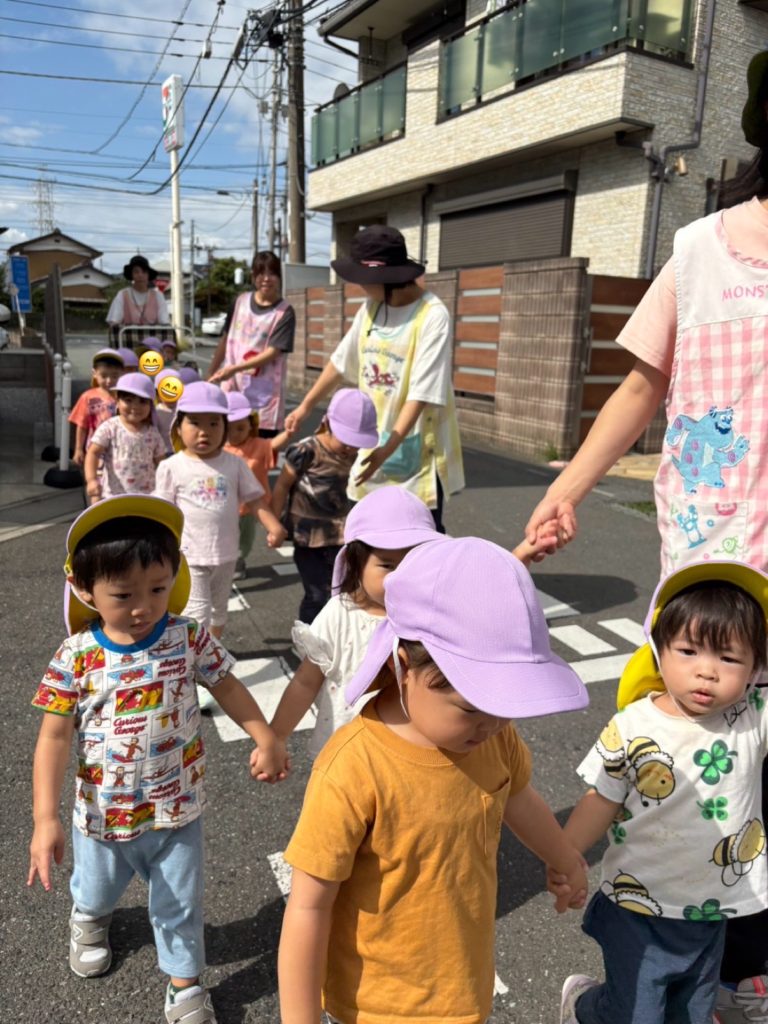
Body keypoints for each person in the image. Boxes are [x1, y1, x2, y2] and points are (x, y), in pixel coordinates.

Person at [525, 51, 768, 1020]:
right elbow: (642, 382)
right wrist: (567, 489)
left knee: (755, 786)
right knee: (681, 776)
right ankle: (635, 967)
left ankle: (736, 971)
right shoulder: (703, 249)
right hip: (712, 578)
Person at [278, 536, 589, 1024]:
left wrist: (565, 857)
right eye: (471, 707)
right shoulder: (354, 767)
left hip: (464, 988)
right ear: (404, 665)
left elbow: (518, 798)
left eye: (506, 704)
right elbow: (309, 907)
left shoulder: (494, 739)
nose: (492, 724)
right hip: (375, 1006)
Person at [27, 495, 289, 1024]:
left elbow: (227, 685)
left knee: (180, 901)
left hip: (178, 809)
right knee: (96, 889)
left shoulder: (186, 636)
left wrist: (265, 734)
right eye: (123, 594)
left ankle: (184, 982)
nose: (143, 606)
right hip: (103, 815)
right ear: (83, 588)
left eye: (158, 588)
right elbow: (53, 738)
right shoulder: (76, 655)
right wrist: (44, 818)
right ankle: (89, 916)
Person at [558, 561, 768, 1024]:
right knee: (635, 1013)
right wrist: (565, 857)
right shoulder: (634, 726)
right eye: (688, 651)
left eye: (729, 658)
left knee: (692, 1011)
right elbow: (601, 799)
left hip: (712, 907)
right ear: (658, 651)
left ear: (756, 666)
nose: (707, 672)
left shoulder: (752, 716)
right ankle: (585, 1006)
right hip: (639, 903)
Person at [271, 486, 562, 759]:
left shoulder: (435, 607)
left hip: (420, 749)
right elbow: (306, 682)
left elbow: (485, 587)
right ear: (355, 564)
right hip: (349, 751)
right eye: (387, 565)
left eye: (415, 560)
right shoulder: (339, 614)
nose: (401, 575)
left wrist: (521, 555)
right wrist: (276, 737)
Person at [284, 225, 464, 532]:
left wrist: (385, 451)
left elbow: (421, 395)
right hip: (372, 442)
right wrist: (305, 406)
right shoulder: (371, 308)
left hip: (413, 449)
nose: (360, 286)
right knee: (365, 535)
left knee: (415, 537)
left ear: (387, 278)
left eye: (364, 279)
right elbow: (340, 363)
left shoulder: (432, 316)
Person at [154, 382, 287, 647]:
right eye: (195, 423)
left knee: (219, 610)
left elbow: (255, 500)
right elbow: (162, 511)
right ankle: (194, 656)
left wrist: (274, 526)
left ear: (225, 427)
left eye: (214, 423)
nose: (205, 431)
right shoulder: (172, 467)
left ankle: (211, 651)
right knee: (197, 611)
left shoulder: (235, 464)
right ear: (178, 427)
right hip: (189, 554)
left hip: (226, 554)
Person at [271, 387, 379, 624]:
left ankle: (333, 633)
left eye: (357, 443)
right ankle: (308, 636)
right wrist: (274, 524)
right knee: (317, 593)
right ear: (328, 424)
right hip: (307, 535)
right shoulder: (306, 451)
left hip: (338, 532)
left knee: (341, 590)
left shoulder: (350, 454)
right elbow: (281, 486)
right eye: (347, 441)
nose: (351, 448)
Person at [207, 251, 295, 437]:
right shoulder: (239, 302)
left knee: (260, 446)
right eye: (261, 273)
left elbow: (273, 352)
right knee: (228, 442)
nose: (266, 279)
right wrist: (211, 372)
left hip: (263, 392)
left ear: (279, 277)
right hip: (232, 386)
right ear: (253, 276)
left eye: (272, 273)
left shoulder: (285, 312)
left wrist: (235, 368)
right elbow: (225, 339)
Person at [222, 392, 293, 580]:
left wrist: (288, 433)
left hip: (249, 508)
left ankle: (239, 559)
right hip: (223, 506)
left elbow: (273, 445)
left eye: (240, 428)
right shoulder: (217, 449)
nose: (234, 434)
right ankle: (226, 561)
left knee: (245, 539)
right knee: (224, 539)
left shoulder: (257, 445)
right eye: (228, 429)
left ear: (251, 425)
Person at [84, 372, 166, 503]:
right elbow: (93, 453)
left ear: (150, 405)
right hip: (113, 496)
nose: (135, 406)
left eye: (142, 402)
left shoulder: (152, 432)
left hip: (146, 496)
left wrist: (165, 487)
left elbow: (161, 463)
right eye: (128, 400)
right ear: (117, 401)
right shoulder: (110, 427)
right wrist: (91, 480)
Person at [69, 349, 124, 466]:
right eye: (104, 376)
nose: (109, 381)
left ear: (122, 374)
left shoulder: (126, 397)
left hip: (121, 449)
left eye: (114, 376)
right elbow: (82, 425)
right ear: (94, 373)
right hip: (95, 451)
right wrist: (78, 449)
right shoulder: (88, 397)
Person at [107, 255, 171, 351]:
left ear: (148, 275)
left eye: (144, 272)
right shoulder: (122, 295)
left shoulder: (158, 296)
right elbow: (114, 322)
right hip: (128, 346)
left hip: (152, 347)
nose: (140, 275)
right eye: (136, 272)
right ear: (132, 275)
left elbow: (165, 322)